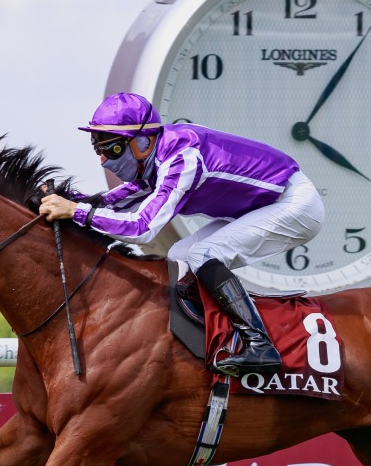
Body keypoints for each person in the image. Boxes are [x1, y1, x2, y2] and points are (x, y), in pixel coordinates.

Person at [38, 92, 324, 377]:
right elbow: (119, 198)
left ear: (142, 142)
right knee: (179, 257)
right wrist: (73, 200)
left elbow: (143, 228)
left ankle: (260, 345)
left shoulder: (182, 157)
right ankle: (210, 336)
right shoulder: (155, 159)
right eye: (97, 149)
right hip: (262, 205)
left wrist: (76, 211)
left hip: (293, 204)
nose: (103, 161)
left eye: (111, 149)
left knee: (202, 254)